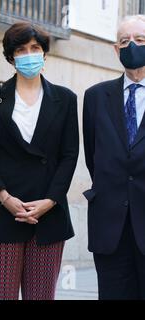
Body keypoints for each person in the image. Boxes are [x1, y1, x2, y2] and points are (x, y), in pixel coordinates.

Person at [0, 22, 79, 300]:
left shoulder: (65, 99)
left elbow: (69, 155)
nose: (29, 54)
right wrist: (5, 198)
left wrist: (51, 200)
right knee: (1, 295)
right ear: (11, 57)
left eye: (35, 48)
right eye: (21, 49)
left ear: (44, 54)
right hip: (1, 211)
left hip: (48, 215)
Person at [83, 15, 145, 300]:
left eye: (140, 40)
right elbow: (93, 158)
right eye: (125, 41)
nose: (132, 46)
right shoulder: (95, 97)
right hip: (110, 228)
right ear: (116, 50)